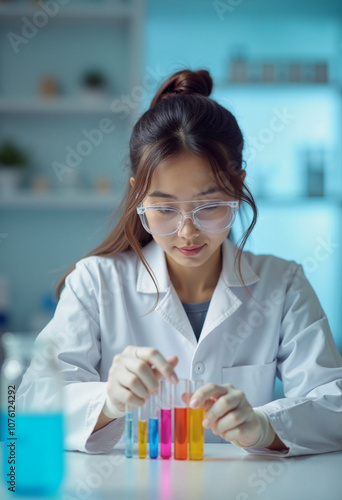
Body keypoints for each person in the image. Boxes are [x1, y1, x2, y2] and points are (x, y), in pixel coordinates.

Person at [18, 69, 342, 456]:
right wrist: (108, 401)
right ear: (138, 195)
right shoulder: (96, 283)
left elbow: (333, 403)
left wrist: (262, 425)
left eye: (209, 206)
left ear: (238, 187)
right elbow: (27, 404)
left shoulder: (282, 283)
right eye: (165, 208)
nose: (187, 232)